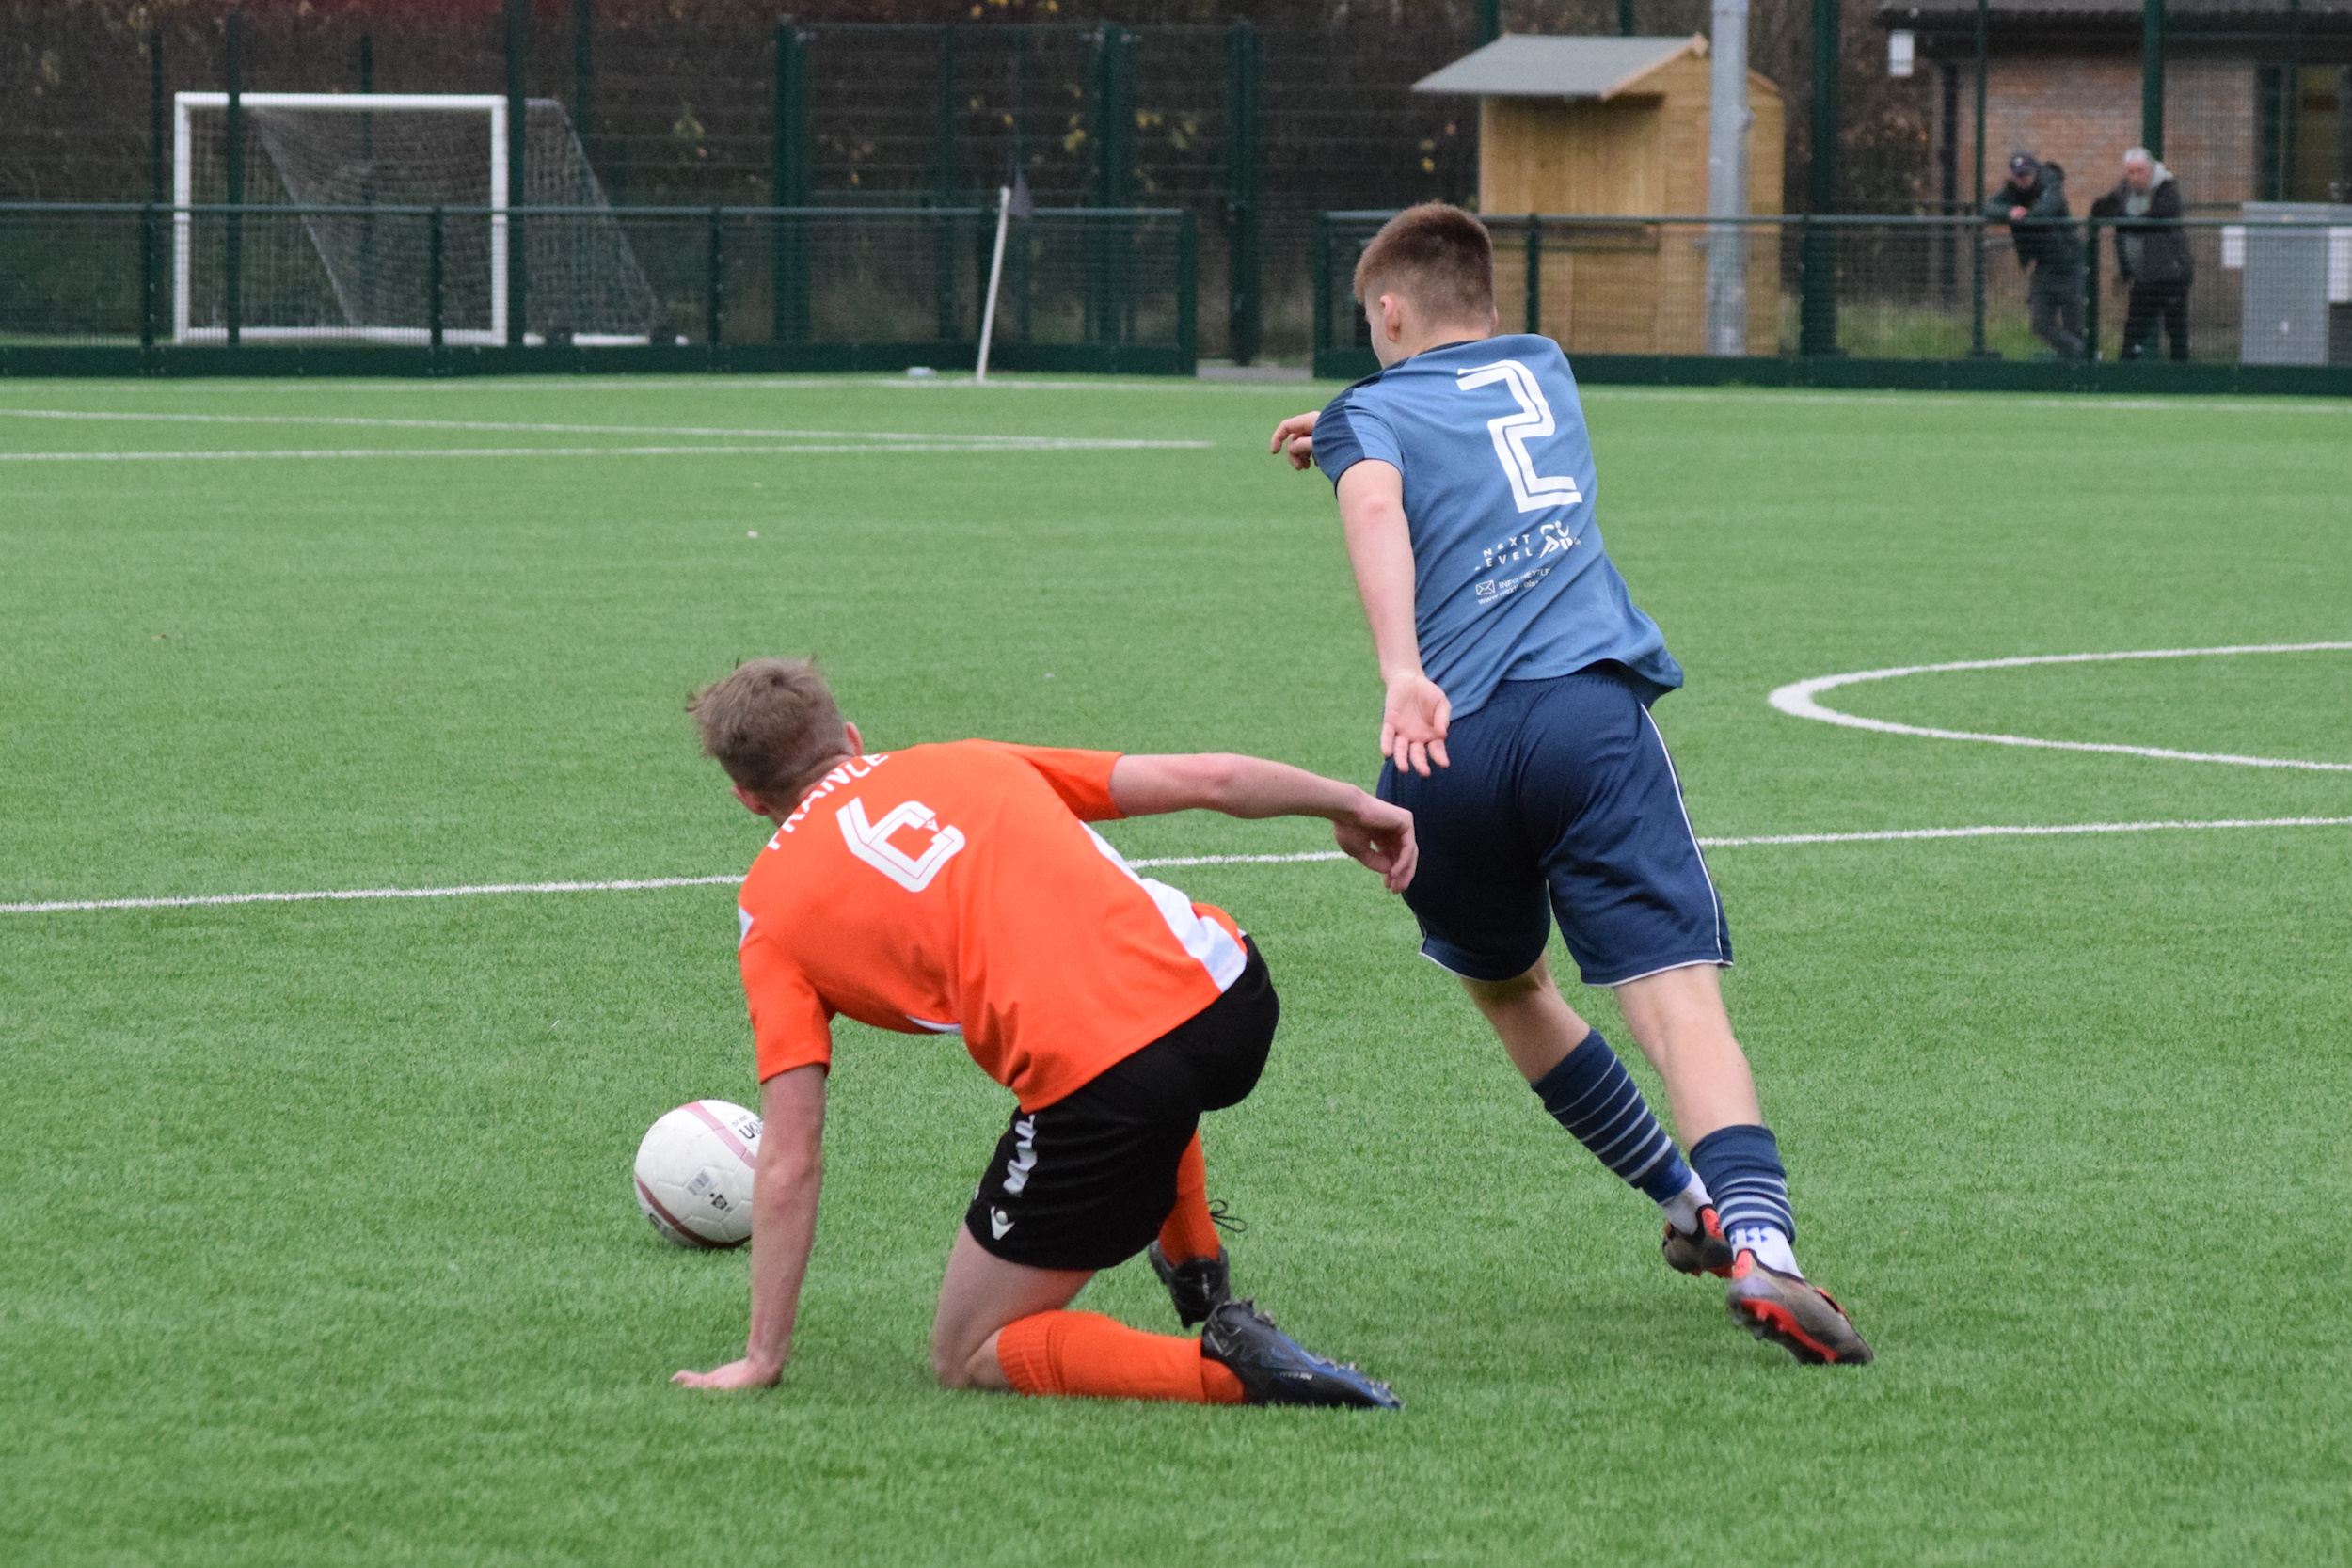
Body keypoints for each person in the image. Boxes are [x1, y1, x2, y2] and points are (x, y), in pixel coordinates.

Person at [1264, 204, 1871, 1365]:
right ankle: (1765, 1246)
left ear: (1385, 313)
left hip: (1441, 750)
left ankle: (1681, 1202)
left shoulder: (1369, 415)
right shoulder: (1545, 366)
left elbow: (1381, 495)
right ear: (1483, 301)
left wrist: (1402, 666)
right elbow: (1431, 411)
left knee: (1508, 986)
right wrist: (1352, 420)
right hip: (1585, 720)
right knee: (1674, 997)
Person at [670, 657, 1411, 1408]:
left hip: (1114, 1086)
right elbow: (1210, 778)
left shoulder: (769, 911)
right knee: (1134, 1022)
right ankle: (1195, 1265)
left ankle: (1231, 1369)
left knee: (964, 1351)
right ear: (852, 738)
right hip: (1232, 998)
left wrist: (764, 1353)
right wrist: (1349, 802)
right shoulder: (964, 760)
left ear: (746, 796)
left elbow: (791, 1155)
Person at [2090, 147, 2193, 362]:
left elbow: (2155, 217)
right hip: (2144, 278)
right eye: (2130, 172)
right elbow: (2100, 209)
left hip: (2171, 276)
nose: (2134, 177)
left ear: (2150, 169)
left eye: (2139, 172)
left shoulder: (2167, 189)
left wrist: (2124, 220)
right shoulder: (2124, 189)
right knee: (2133, 331)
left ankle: (2182, 378)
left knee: (2176, 330)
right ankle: (2123, 378)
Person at [1985, 152, 2086, 359]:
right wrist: (2010, 212)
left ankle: (2083, 361)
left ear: (2035, 172)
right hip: (2044, 266)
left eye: (2026, 175)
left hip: (2069, 264)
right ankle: (2081, 354)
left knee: (2074, 324)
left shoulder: (2051, 184)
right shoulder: (2011, 191)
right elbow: (1988, 208)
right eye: (2018, 176)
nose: (2023, 180)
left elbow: (2045, 212)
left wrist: (2024, 216)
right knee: (2040, 323)